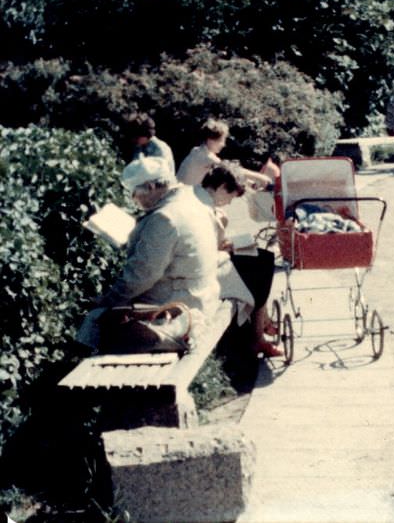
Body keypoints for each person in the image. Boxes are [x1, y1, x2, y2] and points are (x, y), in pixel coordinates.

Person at [77, 156, 220, 350]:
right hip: (203, 297)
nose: (134, 200)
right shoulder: (192, 199)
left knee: (96, 318)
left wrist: (106, 301)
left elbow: (141, 277)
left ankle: (81, 358)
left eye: (134, 193)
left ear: (151, 186)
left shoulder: (164, 218)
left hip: (180, 308)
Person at [194, 162, 283, 358]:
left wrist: (228, 242)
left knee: (262, 259)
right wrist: (227, 243)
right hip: (201, 270)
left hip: (207, 261)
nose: (228, 203)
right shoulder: (204, 207)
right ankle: (258, 335)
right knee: (262, 265)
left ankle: (259, 331)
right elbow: (207, 247)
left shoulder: (202, 198)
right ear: (221, 188)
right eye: (230, 197)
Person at [176, 118, 273, 189]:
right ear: (210, 140)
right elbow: (232, 169)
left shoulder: (197, 150)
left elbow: (227, 174)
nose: (223, 144)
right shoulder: (206, 157)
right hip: (183, 196)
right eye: (222, 141)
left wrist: (249, 183)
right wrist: (260, 177)